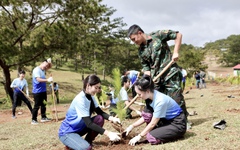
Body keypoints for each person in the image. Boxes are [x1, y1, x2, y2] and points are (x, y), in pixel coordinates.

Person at [127, 24, 189, 127]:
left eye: (134, 39)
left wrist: (175, 52)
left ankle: (183, 122)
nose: (134, 42)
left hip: (170, 73)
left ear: (139, 33)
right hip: (157, 79)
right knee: (155, 101)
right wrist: (147, 82)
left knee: (177, 99)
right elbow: (146, 68)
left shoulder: (158, 35)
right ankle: (163, 122)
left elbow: (178, 35)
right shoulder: (141, 51)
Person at [58, 75, 121, 150]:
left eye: (98, 88)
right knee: (86, 148)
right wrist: (109, 133)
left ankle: (87, 141)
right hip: (68, 132)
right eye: (96, 87)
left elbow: (100, 112)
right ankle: (72, 143)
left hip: (80, 128)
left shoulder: (91, 96)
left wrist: (112, 118)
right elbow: (89, 124)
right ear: (88, 85)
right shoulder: (80, 100)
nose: (97, 90)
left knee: (99, 119)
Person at [124, 75, 186, 146]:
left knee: (150, 136)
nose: (138, 96)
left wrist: (139, 136)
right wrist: (132, 126)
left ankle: (176, 134)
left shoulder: (160, 101)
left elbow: (153, 123)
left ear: (147, 91)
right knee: (150, 128)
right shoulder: (151, 97)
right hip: (167, 121)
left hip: (177, 124)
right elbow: (146, 117)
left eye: (139, 94)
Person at [31, 58, 53, 125]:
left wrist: (49, 82)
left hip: (43, 90)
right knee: (37, 106)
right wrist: (47, 80)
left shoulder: (42, 70)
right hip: (37, 91)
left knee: (44, 104)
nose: (46, 67)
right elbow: (38, 79)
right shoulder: (36, 70)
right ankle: (33, 119)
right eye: (46, 65)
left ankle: (43, 117)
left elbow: (43, 79)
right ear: (43, 62)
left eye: (47, 67)